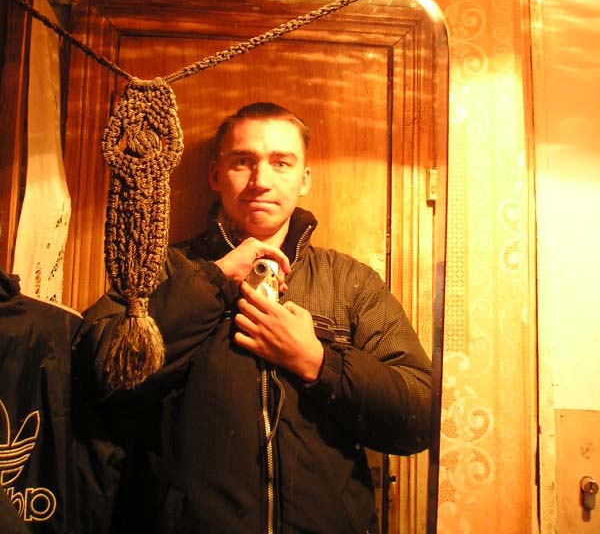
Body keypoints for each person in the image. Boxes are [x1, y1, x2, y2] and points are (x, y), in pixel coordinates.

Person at [75, 102, 432, 534]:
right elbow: (96, 371)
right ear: (215, 175)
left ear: (304, 179)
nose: (261, 180)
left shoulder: (349, 282)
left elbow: (420, 413)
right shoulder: (156, 271)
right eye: (243, 161)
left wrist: (318, 363)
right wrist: (215, 281)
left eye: (281, 163)